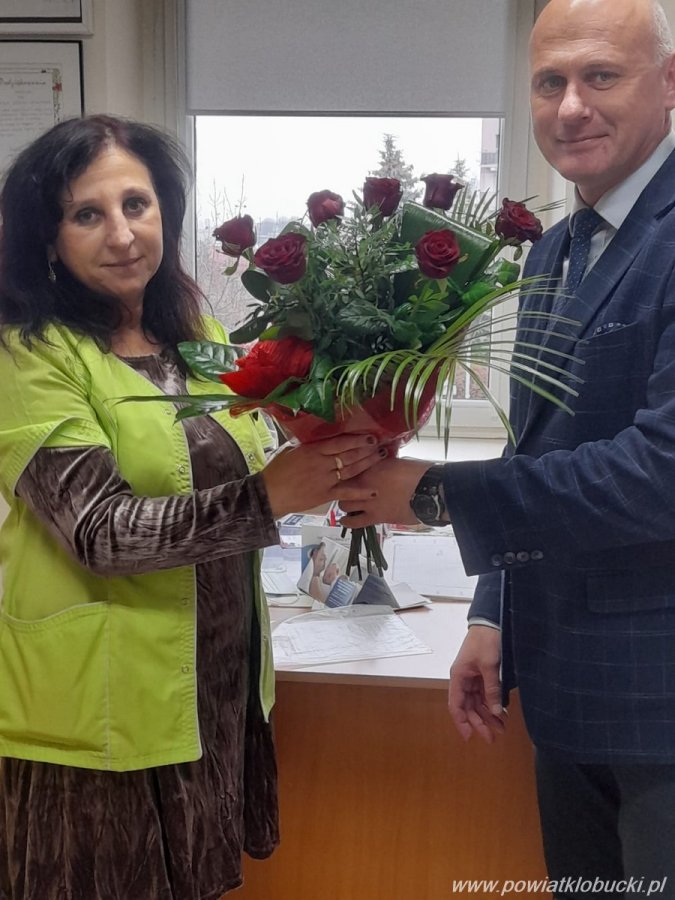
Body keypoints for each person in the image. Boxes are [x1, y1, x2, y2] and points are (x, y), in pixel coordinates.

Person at [0, 114, 383, 900]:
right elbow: (100, 531)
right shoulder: (28, 352)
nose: (121, 234)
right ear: (48, 239)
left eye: (136, 204)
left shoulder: (192, 332)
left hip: (209, 684)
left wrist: (347, 442)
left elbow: (243, 448)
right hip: (99, 709)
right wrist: (271, 496)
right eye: (86, 214)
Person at [339, 0, 675, 892]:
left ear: (668, 82)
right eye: (548, 82)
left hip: (660, 709)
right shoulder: (554, 250)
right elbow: (537, 445)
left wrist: (435, 493)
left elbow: (660, 473)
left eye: (600, 76)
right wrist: (493, 614)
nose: (570, 106)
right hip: (567, 691)